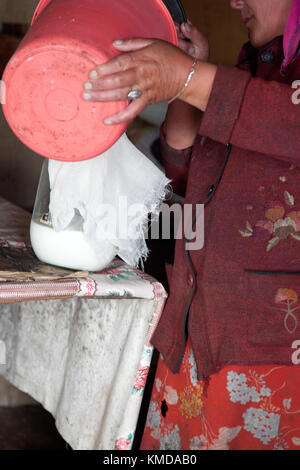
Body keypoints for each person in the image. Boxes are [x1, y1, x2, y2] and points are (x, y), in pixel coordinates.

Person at [83, 0, 300, 450]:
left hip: (267, 352)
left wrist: (188, 77)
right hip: (193, 330)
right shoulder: (253, 68)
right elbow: (183, 169)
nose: (235, 2)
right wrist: (188, 78)